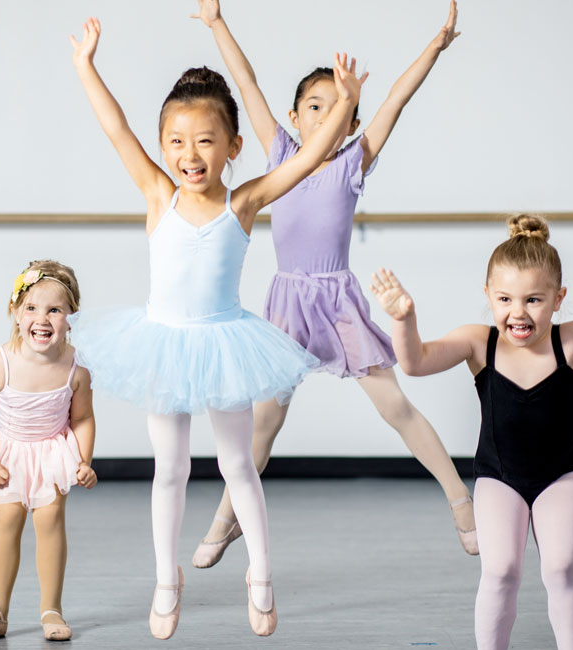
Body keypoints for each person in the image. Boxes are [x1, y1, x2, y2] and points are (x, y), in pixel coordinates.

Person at [69, 16, 365, 638]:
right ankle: (165, 581)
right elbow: (115, 128)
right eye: (175, 142)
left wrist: (345, 104)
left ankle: (259, 576)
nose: (188, 155)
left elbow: (310, 157)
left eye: (205, 141)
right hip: (162, 342)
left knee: (238, 465)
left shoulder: (246, 201)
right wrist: (86, 67)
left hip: (226, 341)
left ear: (233, 147)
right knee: (169, 468)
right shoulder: (157, 194)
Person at [188, 0, 477, 564]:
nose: (323, 116)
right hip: (289, 303)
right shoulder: (278, 151)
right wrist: (218, 23)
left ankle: (461, 500)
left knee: (395, 407)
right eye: (312, 106)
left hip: (338, 302)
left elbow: (395, 98)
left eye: (336, 107)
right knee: (264, 421)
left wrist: (435, 48)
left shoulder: (353, 162)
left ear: (350, 119)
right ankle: (227, 519)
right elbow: (245, 81)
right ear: (295, 117)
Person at [371, 215, 573, 650]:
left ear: (559, 299)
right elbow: (415, 362)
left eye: (534, 299)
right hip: (498, 478)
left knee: (561, 568)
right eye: (504, 298)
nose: (518, 312)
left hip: (560, 476)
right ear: (487, 294)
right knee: (501, 570)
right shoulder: (477, 342)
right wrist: (403, 320)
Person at [0, 260, 96, 642]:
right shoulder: (0, 362)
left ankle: (51, 608)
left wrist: (84, 460)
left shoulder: (76, 368)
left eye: (55, 310)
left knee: (50, 522)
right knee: (7, 521)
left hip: (52, 451)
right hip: (9, 452)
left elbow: (82, 418)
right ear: (15, 313)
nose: (42, 318)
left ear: (71, 319)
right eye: (32, 308)